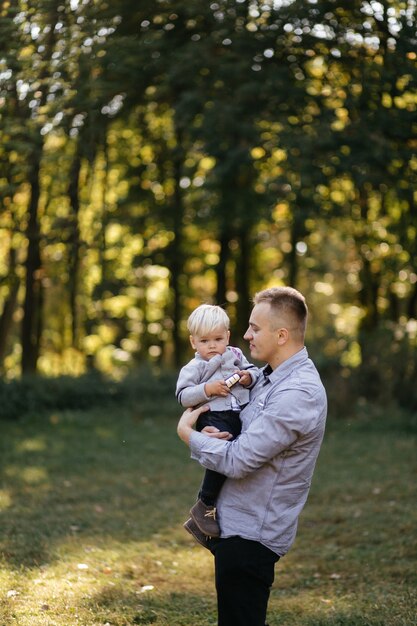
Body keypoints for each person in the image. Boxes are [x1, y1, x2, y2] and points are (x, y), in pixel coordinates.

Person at [177, 286, 327, 626]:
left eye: (255, 328)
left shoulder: (298, 393)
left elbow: (238, 461)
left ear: (283, 334)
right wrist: (209, 428)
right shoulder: (266, 378)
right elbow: (236, 422)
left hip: (252, 537)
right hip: (234, 527)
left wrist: (188, 435)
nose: (245, 336)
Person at [176, 303, 259, 538]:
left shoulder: (235, 355)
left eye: (218, 339)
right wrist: (207, 389)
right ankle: (205, 503)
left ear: (228, 337)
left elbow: (254, 371)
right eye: (204, 341)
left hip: (238, 414)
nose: (212, 346)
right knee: (222, 453)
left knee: (239, 460)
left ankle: (205, 523)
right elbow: (183, 396)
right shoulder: (195, 367)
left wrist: (247, 377)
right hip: (212, 415)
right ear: (193, 342)